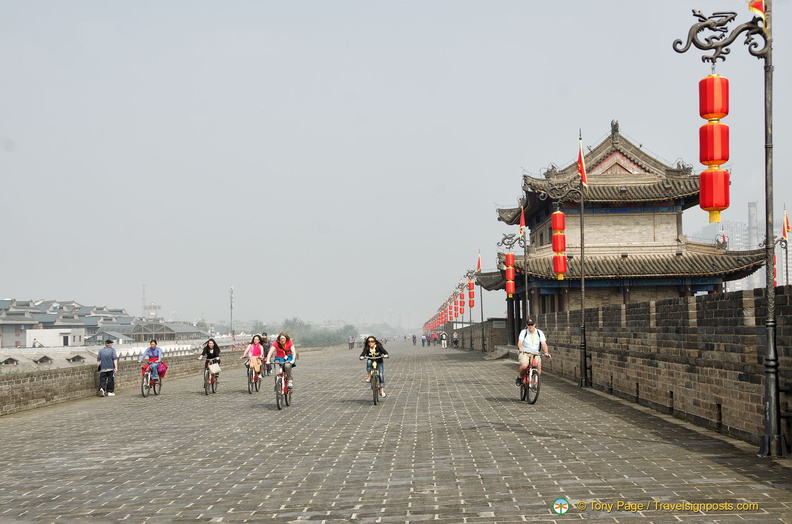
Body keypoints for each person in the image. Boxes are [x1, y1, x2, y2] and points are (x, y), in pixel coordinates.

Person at [516, 319, 551, 386]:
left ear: (535, 324)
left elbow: (543, 343)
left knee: (538, 366)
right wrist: (520, 348)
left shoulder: (539, 332)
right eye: (529, 325)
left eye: (532, 324)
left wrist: (546, 352)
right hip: (525, 352)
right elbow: (520, 342)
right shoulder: (524, 332)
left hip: (535, 353)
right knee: (524, 365)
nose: (530, 326)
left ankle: (535, 383)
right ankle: (520, 377)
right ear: (527, 325)